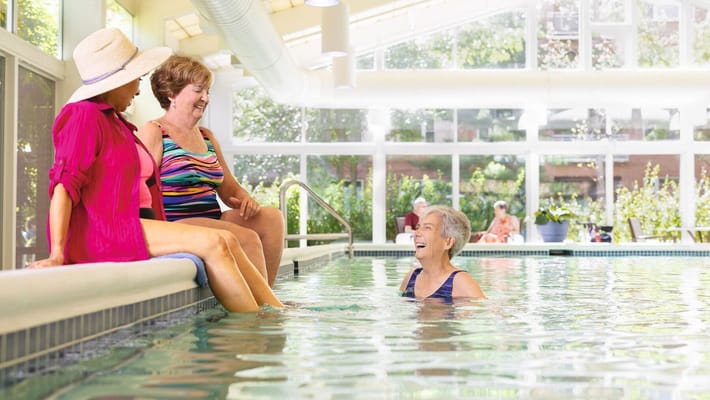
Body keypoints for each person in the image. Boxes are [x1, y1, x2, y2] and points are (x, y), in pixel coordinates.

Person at [28, 28, 282, 313]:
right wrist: (57, 253)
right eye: (135, 78)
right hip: (108, 231)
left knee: (225, 239)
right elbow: (64, 186)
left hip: (131, 225)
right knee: (218, 243)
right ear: (117, 80)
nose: (138, 88)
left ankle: (274, 312)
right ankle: (258, 327)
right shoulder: (82, 116)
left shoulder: (118, 124)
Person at [137, 55, 285, 287]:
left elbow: (228, 188)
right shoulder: (154, 131)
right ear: (171, 94)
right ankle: (265, 310)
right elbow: (136, 186)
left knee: (271, 218)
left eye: (207, 91)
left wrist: (245, 198)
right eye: (198, 90)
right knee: (246, 238)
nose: (205, 98)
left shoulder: (206, 136)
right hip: (176, 222)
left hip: (212, 218)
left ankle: (266, 295)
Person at [399, 206, 485, 300]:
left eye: (427, 228)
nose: (417, 233)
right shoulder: (411, 278)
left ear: (448, 242)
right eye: (418, 227)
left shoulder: (460, 282)